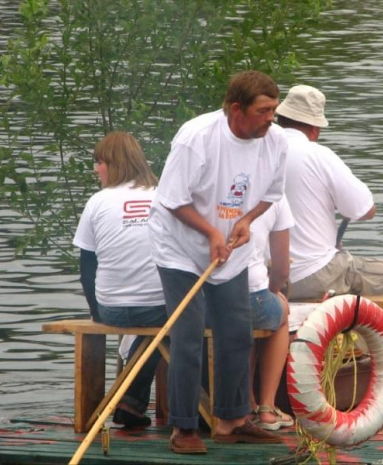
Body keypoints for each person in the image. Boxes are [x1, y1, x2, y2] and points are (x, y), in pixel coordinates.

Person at [148, 70, 287, 454]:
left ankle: (231, 420)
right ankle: (184, 427)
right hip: (179, 247)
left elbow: (271, 194)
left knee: (236, 332)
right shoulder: (198, 137)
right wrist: (210, 233)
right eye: (263, 110)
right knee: (189, 335)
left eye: (274, 109)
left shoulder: (275, 141)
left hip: (230, 246)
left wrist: (245, 220)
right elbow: (172, 199)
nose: (271, 118)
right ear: (236, 109)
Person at [275, 85, 383, 300]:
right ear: (315, 129)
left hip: (265, 275)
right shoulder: (318, 154)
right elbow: (366, 210)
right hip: (310, 274)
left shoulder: (259, 149)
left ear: (280, 118)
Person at [73, 131, 167, 428]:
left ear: (114, 164)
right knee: (184, 316)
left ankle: (132, 403)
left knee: (157, 324)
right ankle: (190, 409)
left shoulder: (97, 202)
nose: (95, 169)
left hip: (111, 308)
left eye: (99, 162)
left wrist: (97, 311)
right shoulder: (162, 197)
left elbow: (87, 267)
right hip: (157, 308)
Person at [248, 196, 294, 430]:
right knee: (280, 311)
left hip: (204, 301)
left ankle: (247, 402)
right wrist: (274, 292)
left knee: (251, 318)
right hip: (251, 298)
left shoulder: (211, 184)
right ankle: (266, 407)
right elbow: (282, 270)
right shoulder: (274, 196)